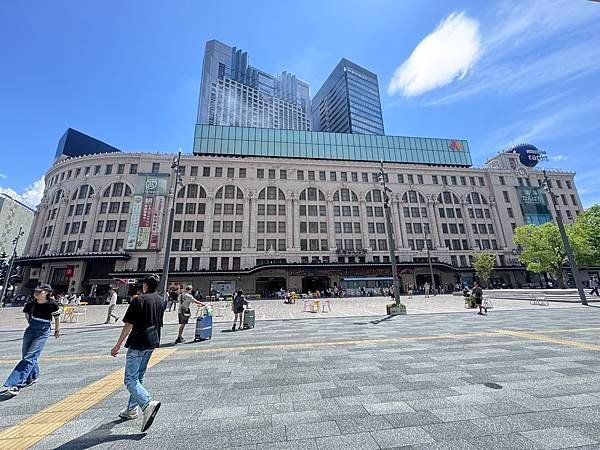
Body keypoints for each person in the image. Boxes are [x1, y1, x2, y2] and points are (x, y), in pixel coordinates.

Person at [111, 274, 164, 433]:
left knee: (130, 379)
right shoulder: (161, 300)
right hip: (152, 341)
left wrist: (117, 345)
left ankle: (147, 403)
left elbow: (128, 324)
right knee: (139, 376)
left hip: (138, 341)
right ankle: (131, 409)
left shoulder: (138, 300)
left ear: (145, 285)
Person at [1, 284, 61, 397]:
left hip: (43, 331)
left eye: (40, 291)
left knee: (29, 357)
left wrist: (57, 330)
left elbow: (57, 318)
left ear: (47, 293)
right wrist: (31, 324)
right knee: (26, 356)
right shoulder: (30, 304)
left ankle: (15, 384)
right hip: (31, 329)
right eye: (35, 291)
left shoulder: (52, 304)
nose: (36, 293)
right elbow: (27, 315)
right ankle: (34, 376)